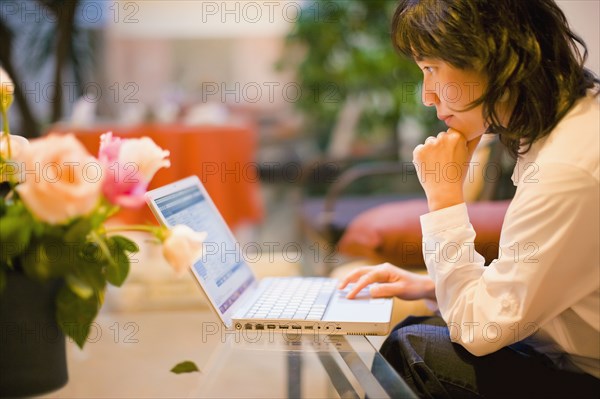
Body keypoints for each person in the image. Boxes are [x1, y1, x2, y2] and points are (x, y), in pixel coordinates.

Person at [338, 0, 600, 397]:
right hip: (569, 354)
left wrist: (444, 196)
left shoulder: (567, 168)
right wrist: (430, 287)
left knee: (413, 348)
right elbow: (540, 278)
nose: (427, 95)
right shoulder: (567, 124)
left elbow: (479, 331)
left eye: (431, 69)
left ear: (492, 57)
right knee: (420, 330)